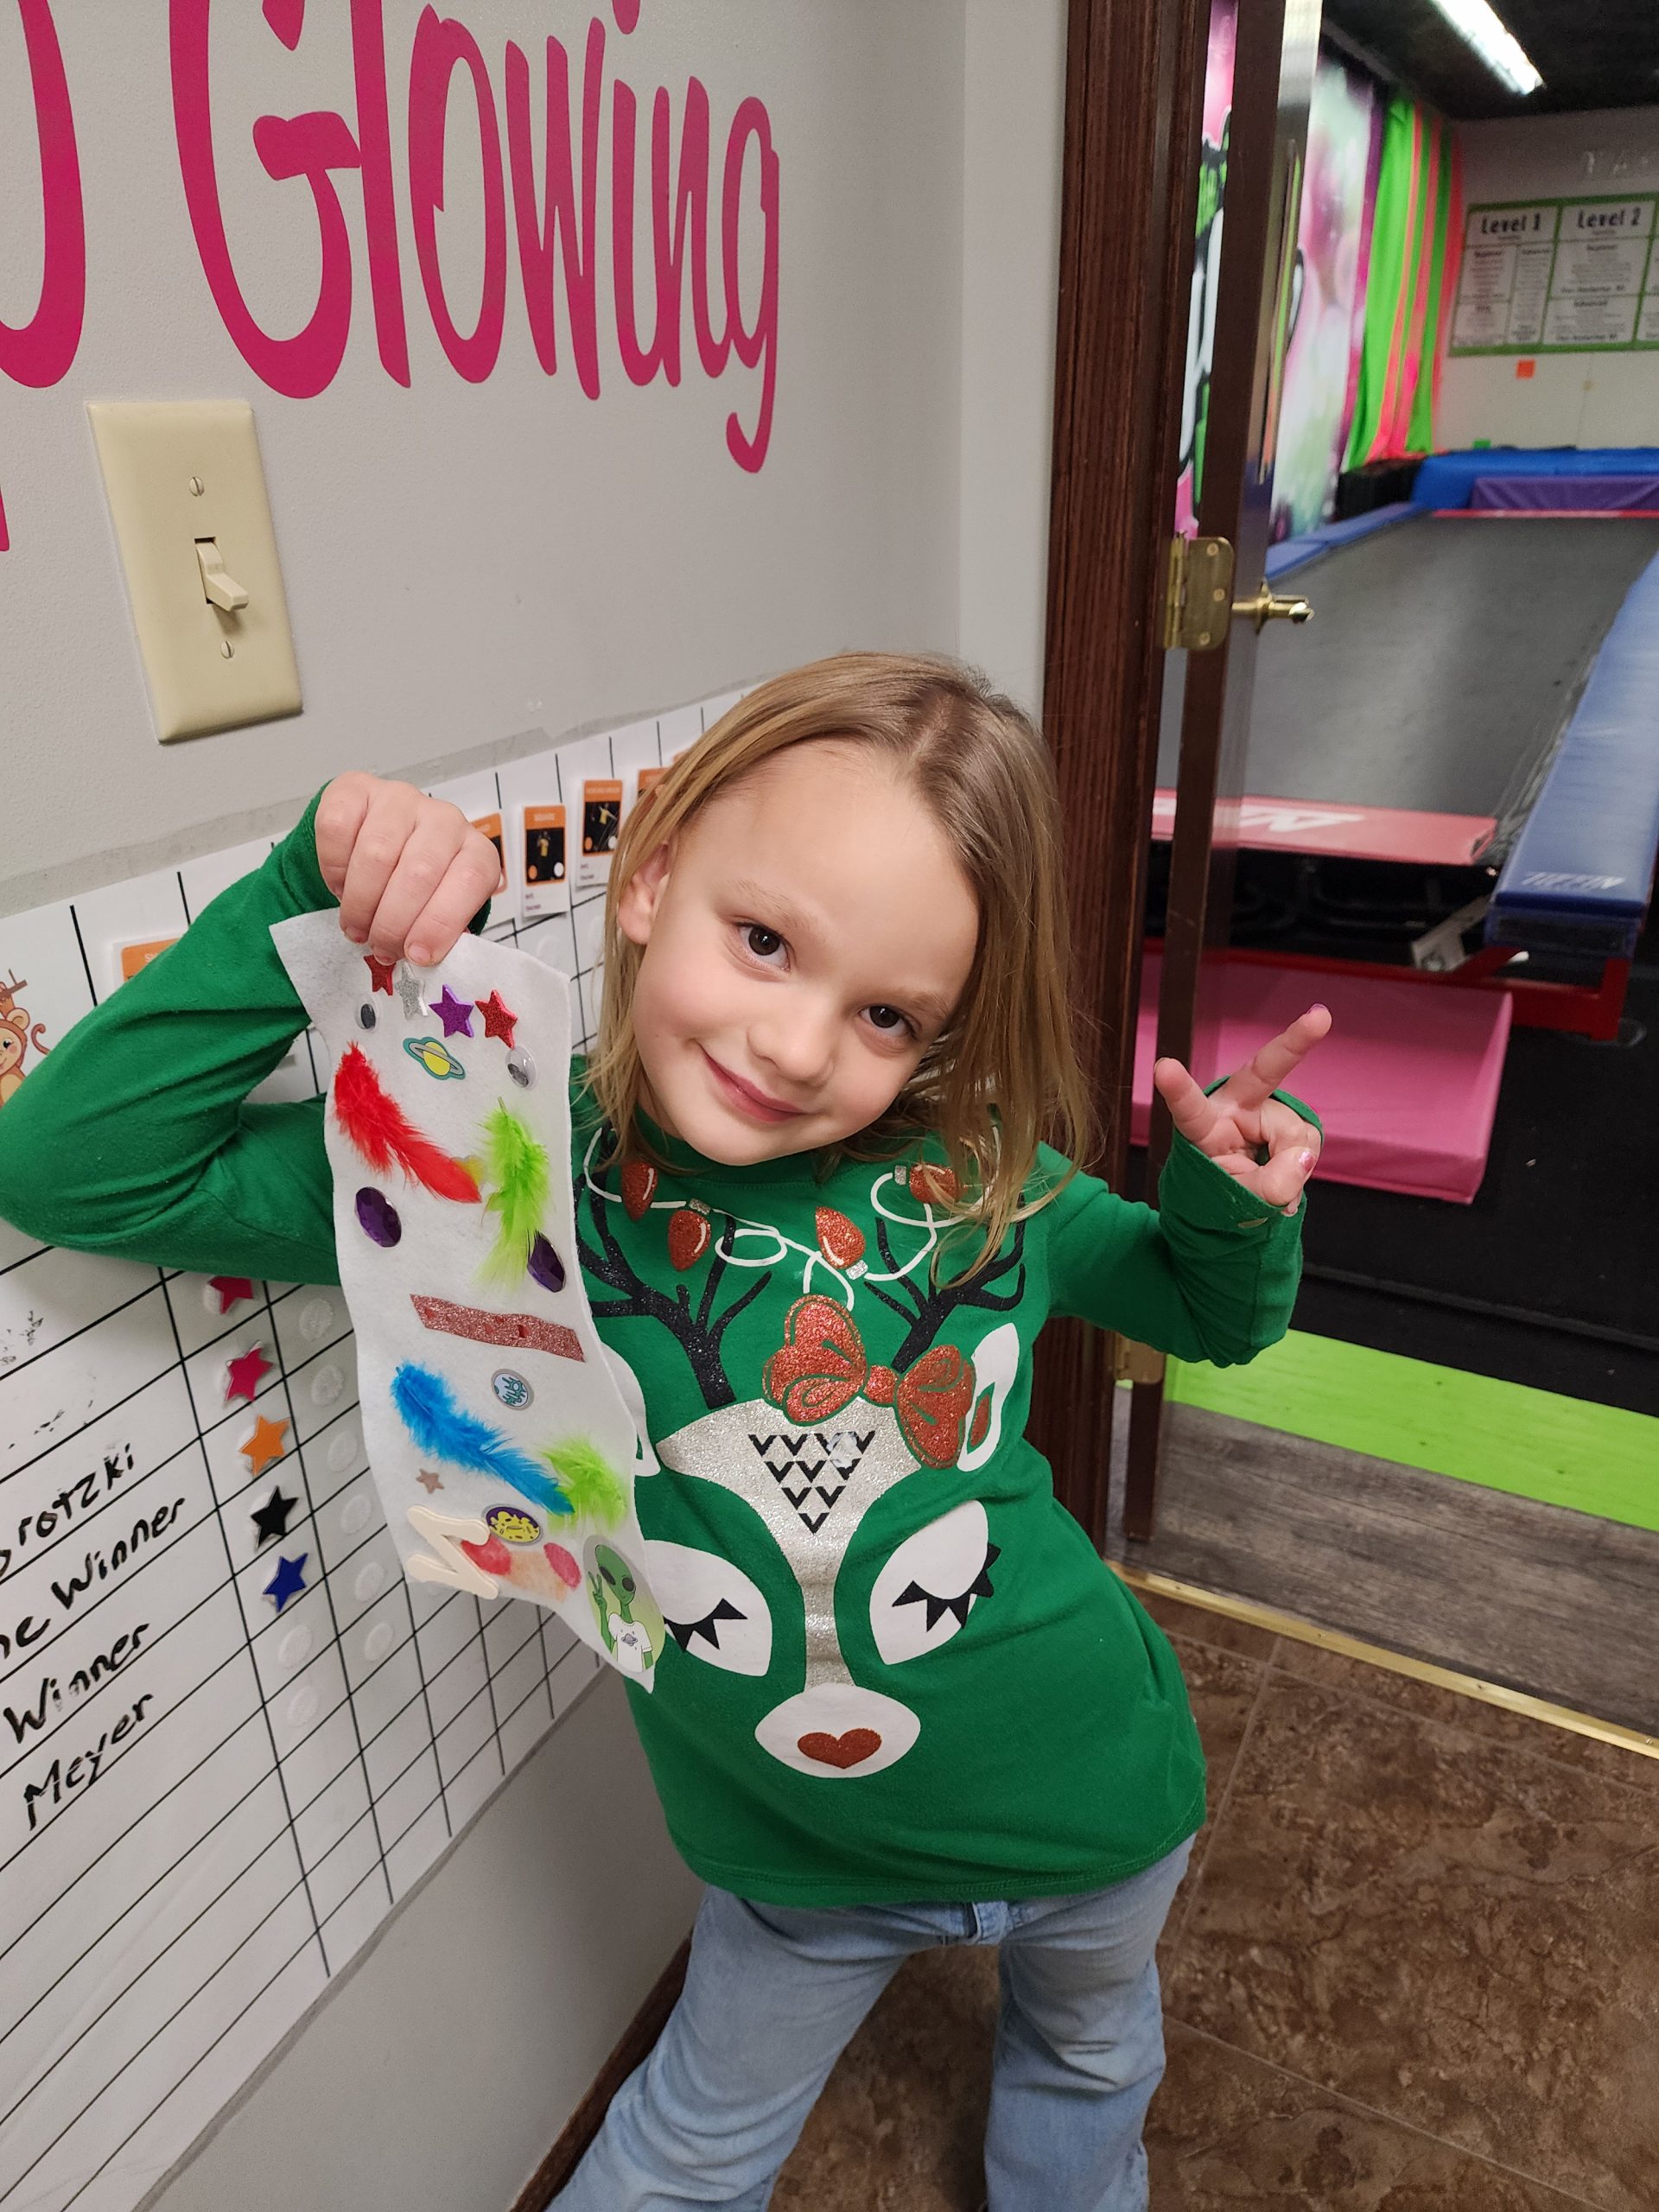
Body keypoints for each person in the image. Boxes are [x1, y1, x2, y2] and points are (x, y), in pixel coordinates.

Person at [0, 652, 1325, 2212]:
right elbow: (75, 1171)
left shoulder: (988, 1179)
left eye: (887, 1013)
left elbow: (1208, 1312)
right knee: (687, 2145)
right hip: (798, 1865)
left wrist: (1228, 1202)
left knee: (1093, 2065)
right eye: (764, 941)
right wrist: (314, 889)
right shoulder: (494, 1166)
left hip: (1100, 1800)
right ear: (651, 879)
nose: (798, 1047)